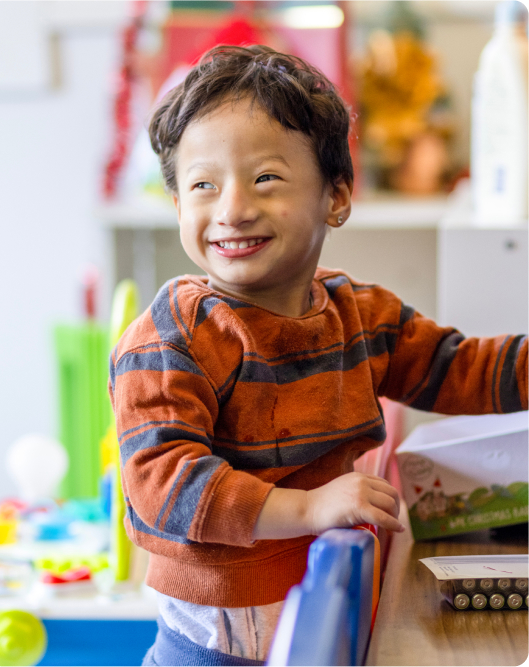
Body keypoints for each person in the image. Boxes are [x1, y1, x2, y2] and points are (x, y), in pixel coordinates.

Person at [109, 44, 528, 666]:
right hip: (216, 642)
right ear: (178, 207)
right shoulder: (171, 340)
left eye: (265, 178)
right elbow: (164, 483)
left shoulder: (358, 314)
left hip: (331, 601)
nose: (232, 209)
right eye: (204, 185)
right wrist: (306, 507)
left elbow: (456, 367)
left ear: (335, 195)